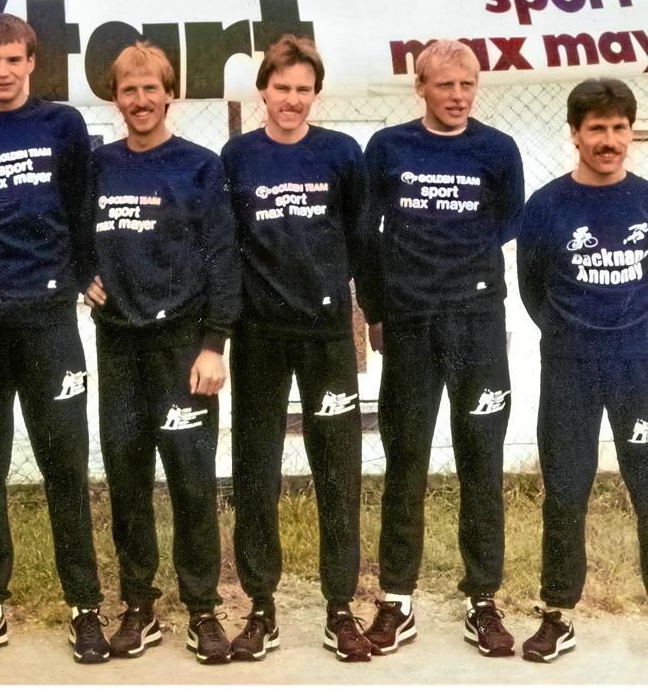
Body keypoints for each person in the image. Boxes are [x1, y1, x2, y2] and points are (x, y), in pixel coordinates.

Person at [0, 12, 108, 663]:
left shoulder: (63, 125)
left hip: (49, 323)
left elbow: (81, 207)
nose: (2, 71)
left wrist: (80, 275)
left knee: (66, 467)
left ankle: (85, 607)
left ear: (32, 63)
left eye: (14, 60)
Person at [354, 39, 525, 657]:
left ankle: (483, 601)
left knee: (482, 460)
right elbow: (366, 235)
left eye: (467, 85)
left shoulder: (498, 149)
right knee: (406, 461)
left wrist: (459, 257)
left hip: (477, 323)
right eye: (445, 84)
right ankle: (397, 601)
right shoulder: (387, 147)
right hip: (409, 324)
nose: (457, 96)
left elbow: (509, 222)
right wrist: (377, 311)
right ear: (421, 87)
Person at [83, 42, 239, 665]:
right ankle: (139, 606)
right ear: (115, 98)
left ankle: (202, 609)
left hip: (182, 348)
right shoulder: (98, 166)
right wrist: (81, 275)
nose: (141, 100)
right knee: (126, 479)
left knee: (192, 482)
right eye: (130, 90)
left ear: (170, 94)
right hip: (119, 343)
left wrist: (213, 345)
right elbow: (69, 232)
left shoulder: (199, 166)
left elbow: (222, 258)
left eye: (151, 89)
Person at [221, 35, 371, 663]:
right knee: (256, 472)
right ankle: (261, 607)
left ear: (316, 94)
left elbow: (360, 241)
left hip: (326, 335)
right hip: (259, 335)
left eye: (302, 90)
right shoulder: (238, 156)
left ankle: (340, 608)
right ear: (263, 91)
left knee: (338, 471)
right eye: (281, 88)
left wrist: (362, 315)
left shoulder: (341, 153)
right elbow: (225, 246)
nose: (291, 99)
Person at [516, 78, 647, 663]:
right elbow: (532, 287)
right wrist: (571, 332)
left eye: (619, 127)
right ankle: (558, 614)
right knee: (566, 493)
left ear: (631, 133)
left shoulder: (645, 199)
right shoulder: (547, 206)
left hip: (640, 368)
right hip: (570, 366)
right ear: (574, 133)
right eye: (597, 128)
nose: (609, 139)